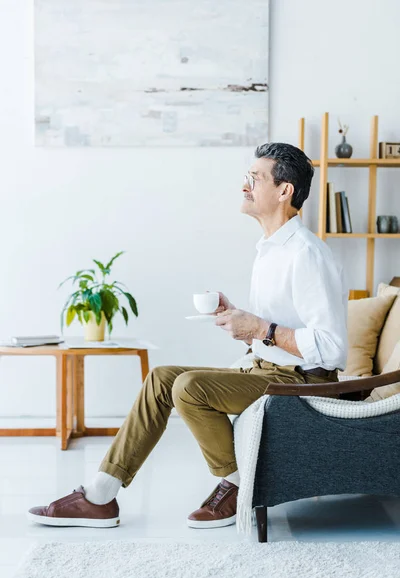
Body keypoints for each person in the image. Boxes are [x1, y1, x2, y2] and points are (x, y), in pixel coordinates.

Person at [27, 142, 348, 529]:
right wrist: (243, 324)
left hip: (302, 384)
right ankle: (100, 494)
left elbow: (331, 349)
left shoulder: (307, 254)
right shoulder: (269, 250)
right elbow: (279, 328)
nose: (244, 185)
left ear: (285, 191)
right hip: (269, 370)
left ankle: (235, 482)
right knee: (163, 377)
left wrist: (261, 329)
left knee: (190, 387)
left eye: (255, 178)